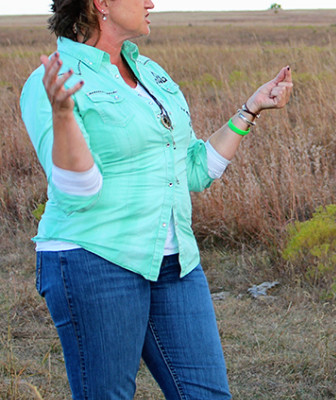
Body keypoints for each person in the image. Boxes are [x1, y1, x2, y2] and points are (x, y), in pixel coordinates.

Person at [20, 0, 293, 398]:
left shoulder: (151, 74)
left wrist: (251, 109)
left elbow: (194, 171)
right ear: (102, 4)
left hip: (175, 263)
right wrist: (63, 117)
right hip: (95, 261)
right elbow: (78, 191)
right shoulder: (54, 80)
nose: (151, 2)